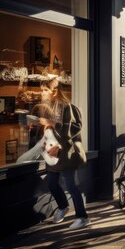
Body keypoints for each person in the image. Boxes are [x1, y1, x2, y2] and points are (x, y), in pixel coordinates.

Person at [39, 78, 90, 229]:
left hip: (67, 153)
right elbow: (48, 130)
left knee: (71, 185)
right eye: (41, 90)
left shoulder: (67, 107)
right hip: (53, 154)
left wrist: (53, 124)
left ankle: (83, 217)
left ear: (54, 91)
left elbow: (75, 128)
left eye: (44, 90)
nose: (41, 93)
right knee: (52, 184)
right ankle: (63, 206)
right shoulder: (47, 107)